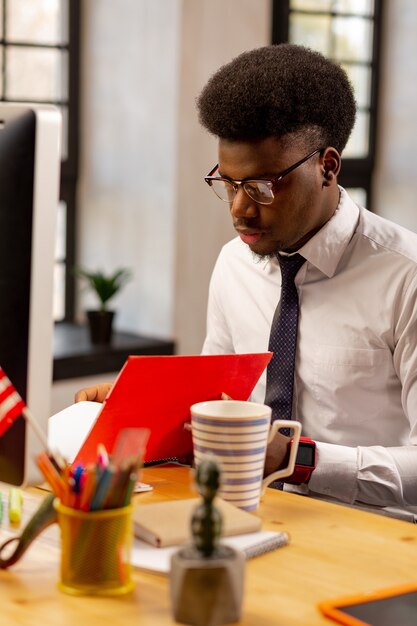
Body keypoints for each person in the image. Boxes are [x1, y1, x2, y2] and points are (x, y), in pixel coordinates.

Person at [76, 44, 417, 520]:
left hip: (372, 543)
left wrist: (297, 460)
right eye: (229, 183)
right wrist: (144, 410)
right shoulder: (235, 263)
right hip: (250, 520)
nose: (239, 208)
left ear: (328, 167)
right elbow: (218, 401)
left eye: (261, 186)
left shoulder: (406, 277)